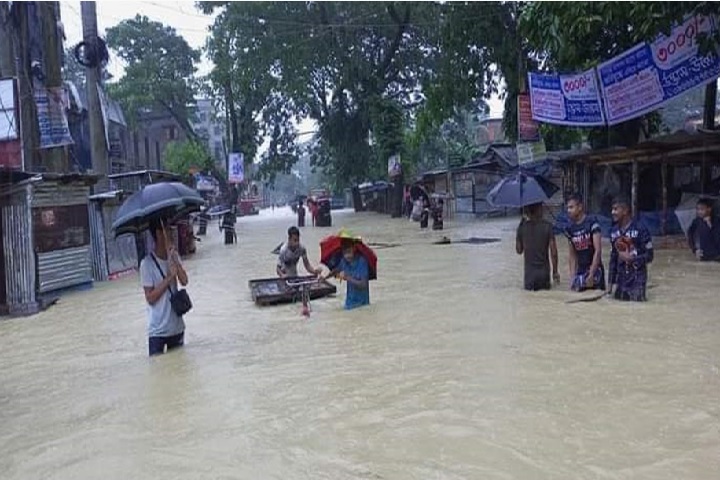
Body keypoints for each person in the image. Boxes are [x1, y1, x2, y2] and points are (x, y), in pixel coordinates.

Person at [140, 220, 189, 357]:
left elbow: (184, 281)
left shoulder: (174, 256)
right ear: (158, 234)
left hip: (177, 327)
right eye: (167, 230)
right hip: (158, 331)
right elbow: (150, 298)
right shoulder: (146, 264)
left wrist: (175, 261)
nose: (172, 233)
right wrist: (168, 278)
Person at [607, 198, 654, 301]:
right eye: (612, 209)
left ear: (625, 210)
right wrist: (610, 284)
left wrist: (632, 259)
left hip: (637, 278)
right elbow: (613, 259)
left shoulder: (641, 229)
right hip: (621, 280)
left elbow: (650, 255)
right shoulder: (613, 231)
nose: (612, 212)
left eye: (615, 209)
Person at [564, 194, 605, 291]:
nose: (568, 211)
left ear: (580, 207)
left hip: (596, 270)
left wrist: (591, 274)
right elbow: (572, 255)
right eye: (567, 208)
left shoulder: (592, 223)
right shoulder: (570, 229)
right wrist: (573, 278)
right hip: (581, 271)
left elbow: (598, 251)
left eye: (571, 207)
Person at [516, 203, 560, 291]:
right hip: (544, 275)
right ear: (540, 209)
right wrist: (555, 272)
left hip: (529, 276)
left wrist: (519, 232)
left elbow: (519, 250)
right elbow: (554, 253)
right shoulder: (548, 226)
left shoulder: (522, 227)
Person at [324, 240, 370, 310]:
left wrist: (347, 278)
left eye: (349, 252)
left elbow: (363, 285)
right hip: (349, 302)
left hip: (362, 304)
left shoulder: (362, 262)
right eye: (344, 253)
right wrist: (324, 278)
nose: (347, 256)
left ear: (354, 249)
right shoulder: (343, 261)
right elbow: (335, 271)